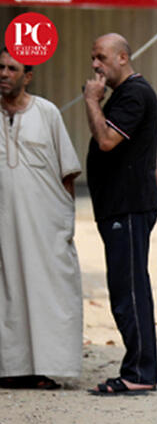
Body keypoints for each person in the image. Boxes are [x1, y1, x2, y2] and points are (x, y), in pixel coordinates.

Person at [83, 33, 157, 395]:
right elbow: (138, 144)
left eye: (102, 57)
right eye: (93, 58)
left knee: (130, 291)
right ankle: (138, 367)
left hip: (128, 208)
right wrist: (153, 170)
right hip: (119, 206)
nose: (95, 65)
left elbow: (107, 140)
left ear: (122, 57)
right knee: (124, 288)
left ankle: (139, 372)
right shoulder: (126, 94)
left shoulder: (135, 93)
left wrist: (92, 101)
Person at [0, 48, 83, 390]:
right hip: (4, 223)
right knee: (7, 293)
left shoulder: (46, 112)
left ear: (28, 76)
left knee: (46, 289)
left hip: (42, 224)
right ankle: (9, 368)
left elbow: (67, 173)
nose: (4, 73)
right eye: (0, 67)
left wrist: (63, 220)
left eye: (12, 68)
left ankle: (45, 368)